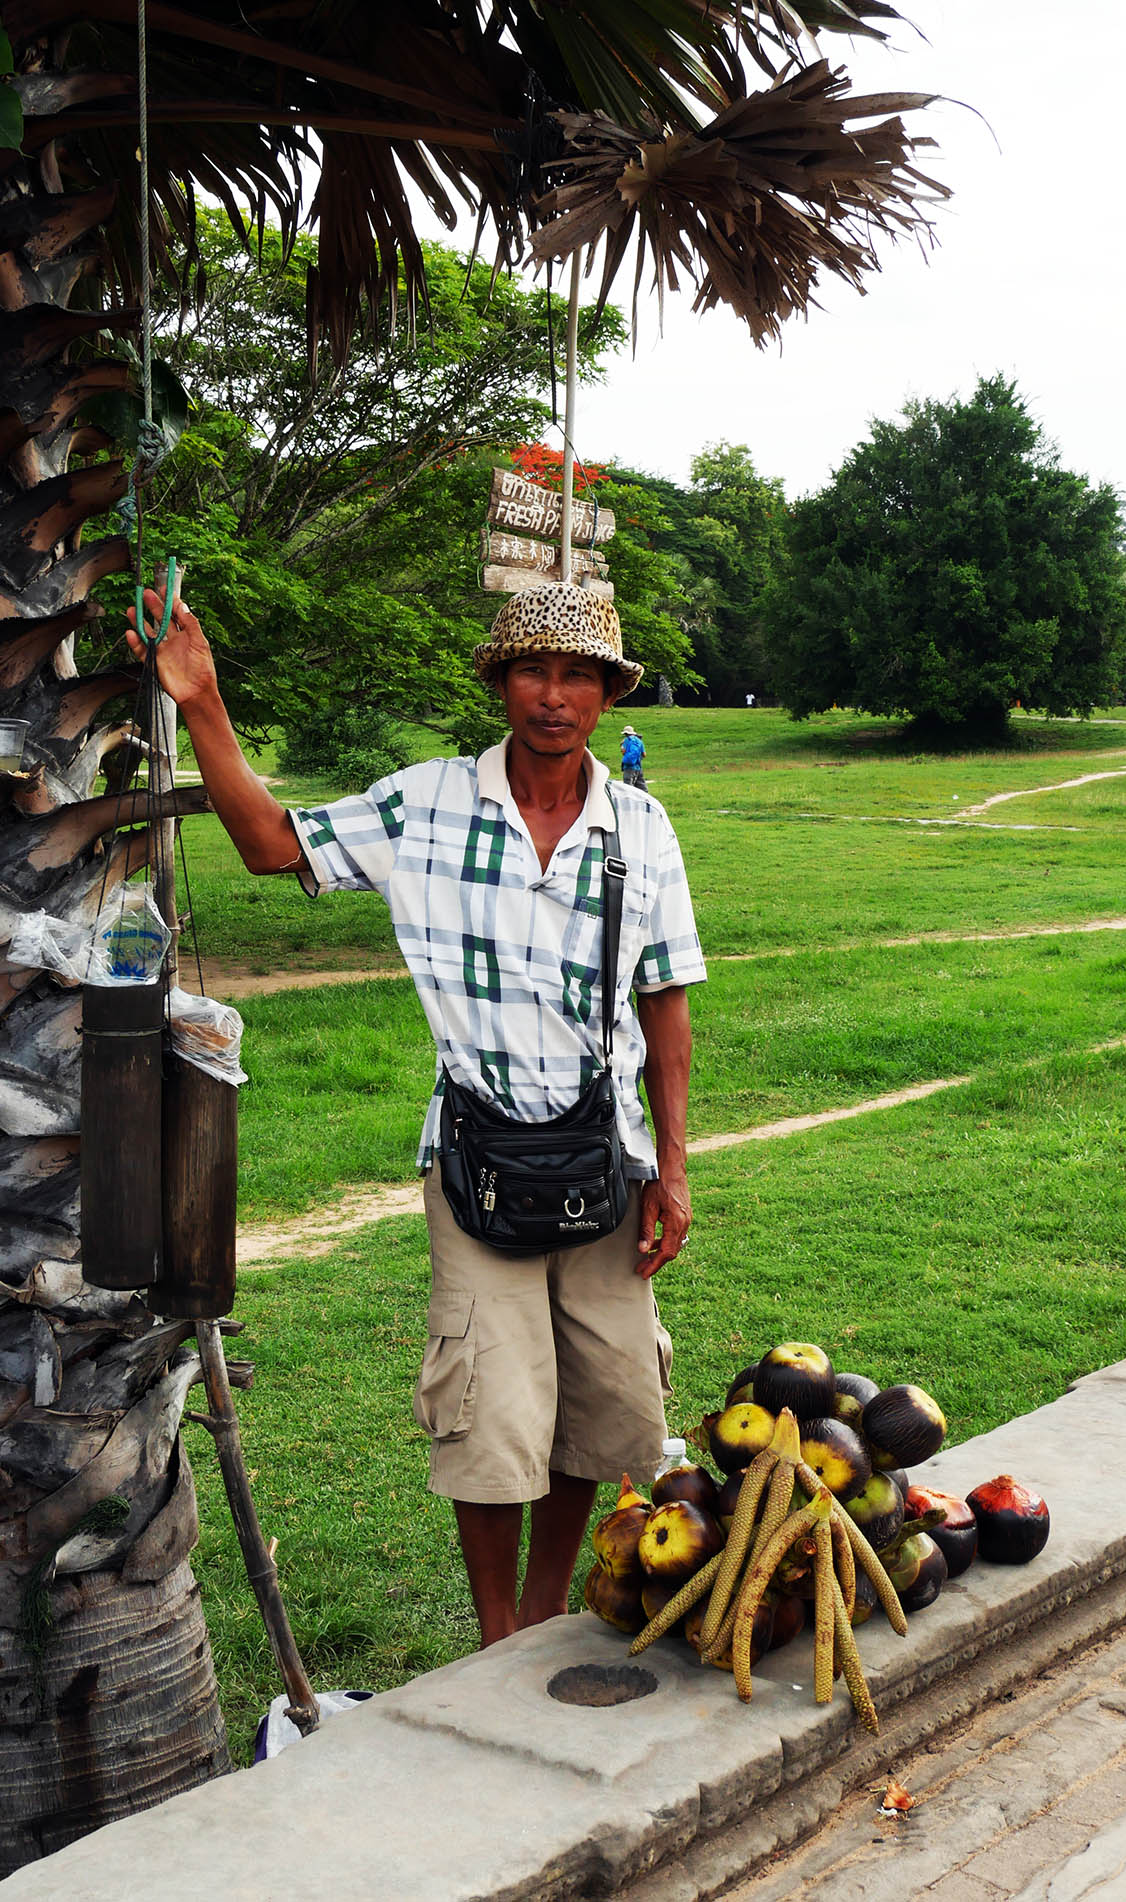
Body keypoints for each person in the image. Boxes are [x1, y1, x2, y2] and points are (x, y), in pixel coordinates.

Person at [127, 582, 706, 1649]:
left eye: (579, 674)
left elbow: (666, 999)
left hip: (608, 1159)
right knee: (490, 1407)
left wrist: (672, 1167)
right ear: (498, 681)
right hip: (476, 1157)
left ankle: (543, 1613)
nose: (555, 695)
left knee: (602, 1402)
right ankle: (498, 1642)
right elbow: (271, 845)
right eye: (533, 670)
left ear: (608, 692)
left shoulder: (640, 825)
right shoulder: (428, 803)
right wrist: (202, 703)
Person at [619, 721, 647, 791]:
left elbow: (623, 752)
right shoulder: (639, 741)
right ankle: (646, 799)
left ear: (625, 733)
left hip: (628, 766)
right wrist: (637, 759)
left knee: (628, 786)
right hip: (638, 767)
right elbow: (644, 754)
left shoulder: (626, 740)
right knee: (641, 786)